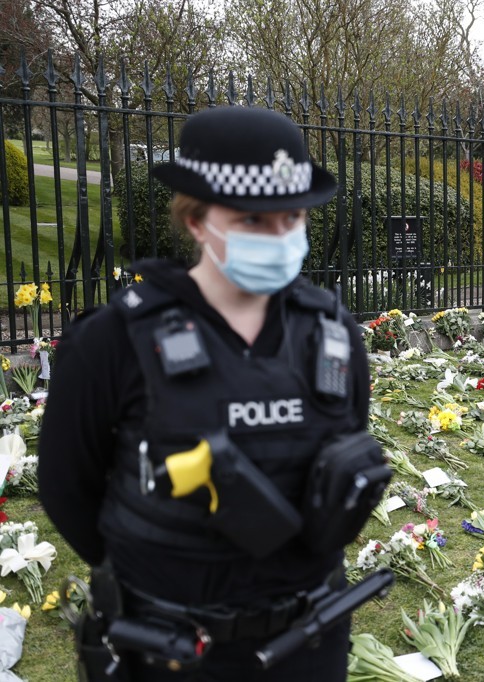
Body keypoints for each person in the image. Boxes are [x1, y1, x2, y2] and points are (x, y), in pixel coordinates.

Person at [38, 107, 377, 680]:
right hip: (168, 649)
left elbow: (344, 446)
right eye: (252, 221)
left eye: (291, 217)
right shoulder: (113, 339)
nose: (278, 236)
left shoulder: (333, 334)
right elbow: (66, 487)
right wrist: (156, 569)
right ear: (196, 221)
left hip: (308, 643)